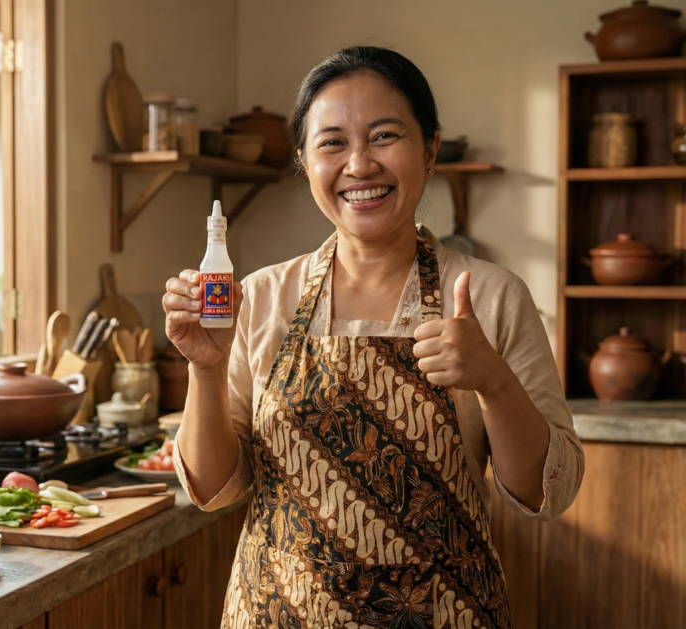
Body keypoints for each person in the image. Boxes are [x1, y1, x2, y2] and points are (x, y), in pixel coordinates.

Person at [163, 46, 583, 629]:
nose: (359, 165)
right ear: (305, 162)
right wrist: (204, 369)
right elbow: (214, 489)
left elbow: (547, 493)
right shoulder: (258, 299)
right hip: (277, 613)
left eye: (385, 136)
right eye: (332, 142)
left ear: (431, 148)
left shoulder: (491, 296)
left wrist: (494, 382)